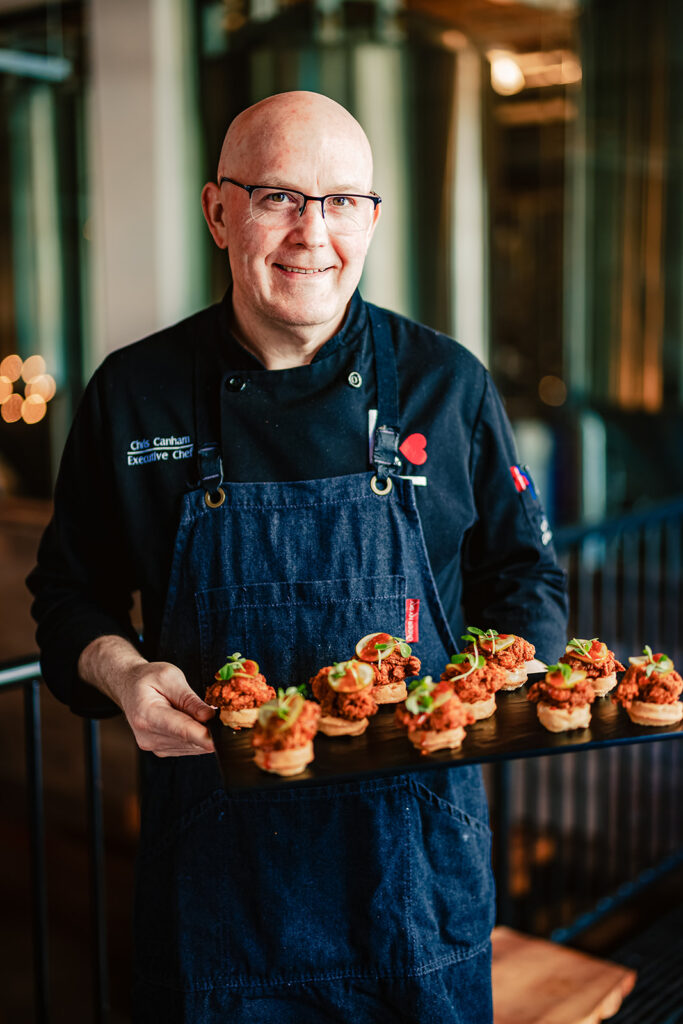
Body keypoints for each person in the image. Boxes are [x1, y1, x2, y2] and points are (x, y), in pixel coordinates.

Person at [28, 91, 567, 1023]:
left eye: (343, 201)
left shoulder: (447, 383)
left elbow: (525, 577)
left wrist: (503, 684)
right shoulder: (134, 395)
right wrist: (118, 671)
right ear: (218, 211)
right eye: (278, 195)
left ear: (371, 218)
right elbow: (69, 597)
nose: (312, 234)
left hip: (417, 878)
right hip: (216, 892)